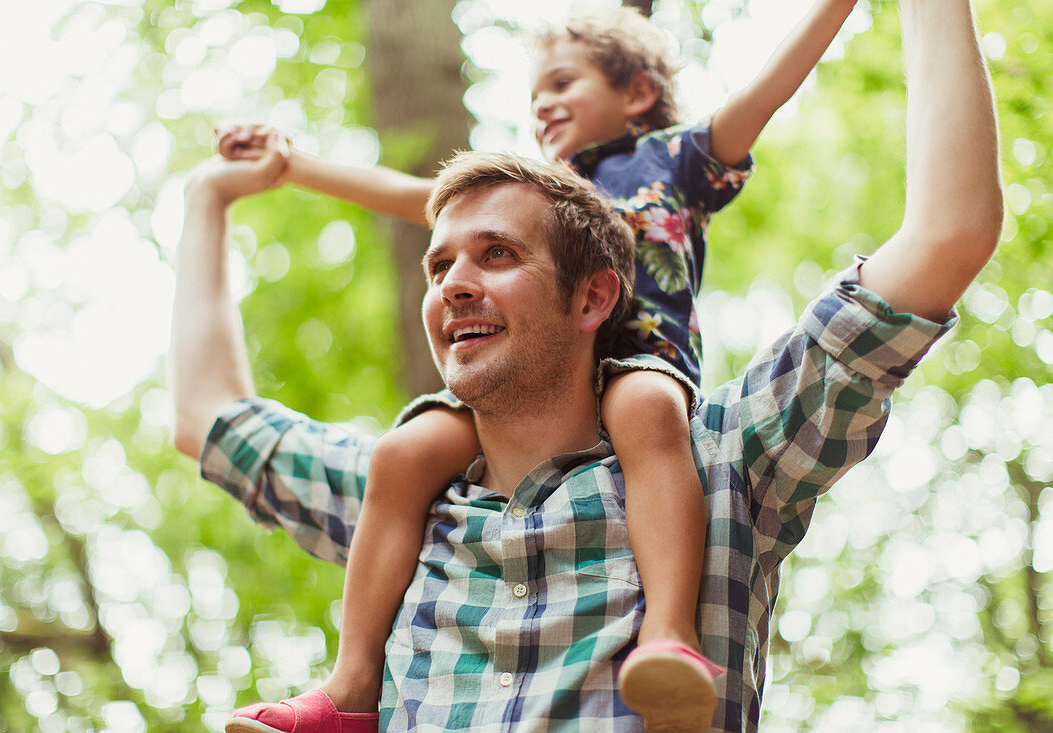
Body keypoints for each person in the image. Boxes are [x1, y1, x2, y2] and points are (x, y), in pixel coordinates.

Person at [169, 0, 1002, 728]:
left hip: (654, 389)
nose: (455, 283)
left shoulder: (722, 466)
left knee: (646, 411)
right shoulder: (410, 498)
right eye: (437, 265)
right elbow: (206, 420)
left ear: (593, 297)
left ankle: (667, 638)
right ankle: (343, 692)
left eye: (496, 253)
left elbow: (943, 238)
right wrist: (217, 193)